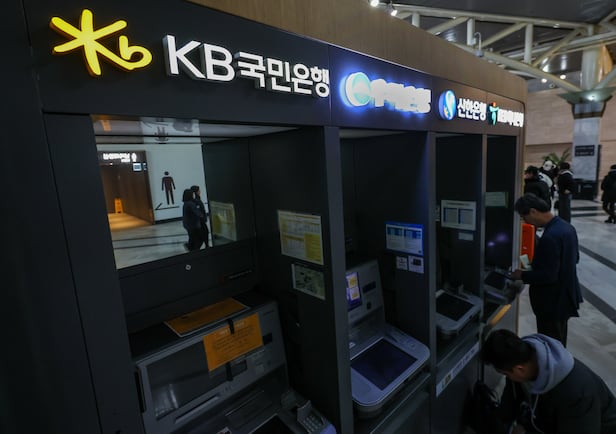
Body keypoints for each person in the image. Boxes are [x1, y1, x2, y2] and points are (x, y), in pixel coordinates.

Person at [482, 329, 616, 434]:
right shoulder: (520, 357)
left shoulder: (577, 393)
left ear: (519, 369)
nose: (508, 378)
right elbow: (509, 406)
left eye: (505, 374)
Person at [510, 193, 582, 346]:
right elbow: (575, 258)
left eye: (524, 217)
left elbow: (548, 276)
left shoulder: (550, 237)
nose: (525, 221)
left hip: (551, 302)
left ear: (533, 211)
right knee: (559, 340)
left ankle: (556, 362)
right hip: (565, 297)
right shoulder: (567, 227)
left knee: (551, 344)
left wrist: (522, 275)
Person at [190, 185, 210, 249]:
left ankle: (206, 245)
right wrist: (202, 217)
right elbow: (198, 210)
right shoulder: (196, 200)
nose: (200, 191)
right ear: (196, 192)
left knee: (204, 233)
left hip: (200, 221)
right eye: (198, 190)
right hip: (200, 221)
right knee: (204, 233)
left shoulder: (197, 199)